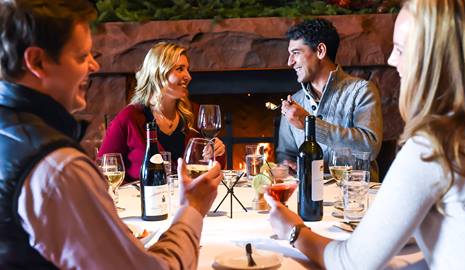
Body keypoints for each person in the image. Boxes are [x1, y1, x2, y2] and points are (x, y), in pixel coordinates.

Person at [0, 1, 223, 269]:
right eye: (82, 57)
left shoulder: (10, 131)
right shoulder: (59, 167)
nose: (94, 65)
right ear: (37, 61)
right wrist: (193, 209)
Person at [266, 0, 465, 269]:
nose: (391, 60)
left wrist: (293, 231)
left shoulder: (432, 144)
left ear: (433, 61)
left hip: (355, 209)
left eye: (400, 49)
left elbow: (350, 262)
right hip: (317, 207)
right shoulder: (294, 102)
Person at [98, 42, 226, 181]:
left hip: (187, 199)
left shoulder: (193, 113)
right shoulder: (130, 118)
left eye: (187, 69)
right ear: (158, 72)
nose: (188, 76)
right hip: (142, 200)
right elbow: (102, 169)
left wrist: (216, 152)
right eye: (180, 69)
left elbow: (213, 167)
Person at [276, 18, 383, 180]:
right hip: (308, 196)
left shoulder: (362, 91)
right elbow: (285, 153)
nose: (289, 62)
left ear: (320, 51)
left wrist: (309, 123)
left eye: (296, 53)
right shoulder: (295, 101)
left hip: (355, 198)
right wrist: (287, 164)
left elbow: (369, 148)